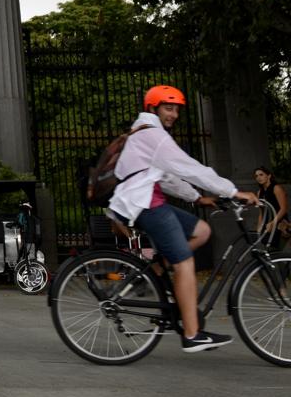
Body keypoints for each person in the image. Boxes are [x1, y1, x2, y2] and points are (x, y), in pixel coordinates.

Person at [108, 85, 258, 352]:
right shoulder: (153, 135)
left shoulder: (146, 135)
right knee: (185, 262)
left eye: (177, 109)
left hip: (150, 201)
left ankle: (161, 267)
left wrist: (196, 198)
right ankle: (191, 334)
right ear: (153, 108)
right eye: (168, 107)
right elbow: (190, 168)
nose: (174, 114)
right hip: (146, 205)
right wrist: (233, 191)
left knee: (202, 230)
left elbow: (166, 177)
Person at [254, 166, 289, 250]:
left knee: (278, 253)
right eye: (256, 176)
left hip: (280, 224)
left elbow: (284, 208)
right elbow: (261, 212)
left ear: (269, 176)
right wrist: (258, 229)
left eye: (261, 174)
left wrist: (273, 223)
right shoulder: (259, 193)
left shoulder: (276, 188)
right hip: (267, 226)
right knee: (270, 253)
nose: (258, 177)